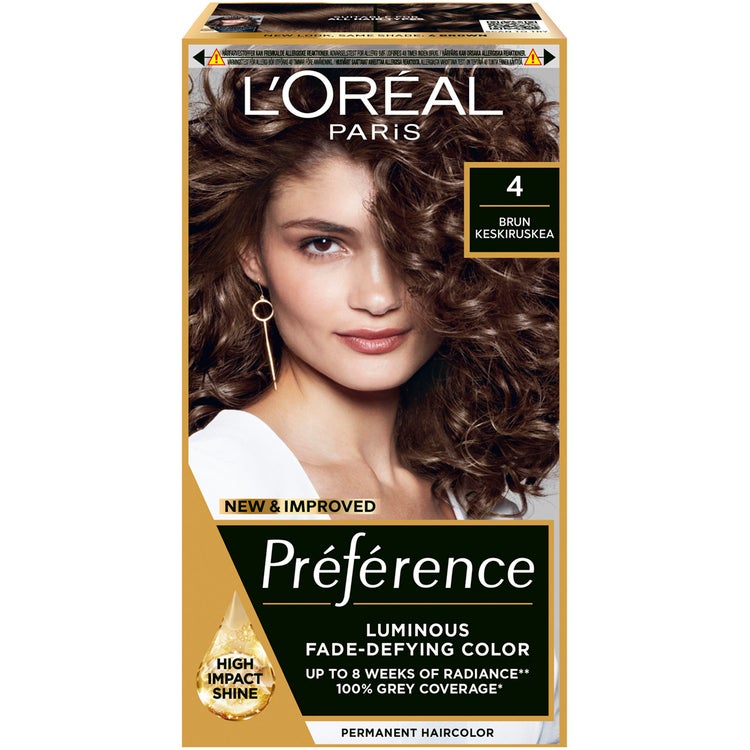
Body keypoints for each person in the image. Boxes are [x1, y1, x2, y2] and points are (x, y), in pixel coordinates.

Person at [188, 65, 559, 521]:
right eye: (323, 244)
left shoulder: (477, 502)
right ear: (252, 255)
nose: (379, 298)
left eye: (418, 245)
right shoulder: (205, 487)